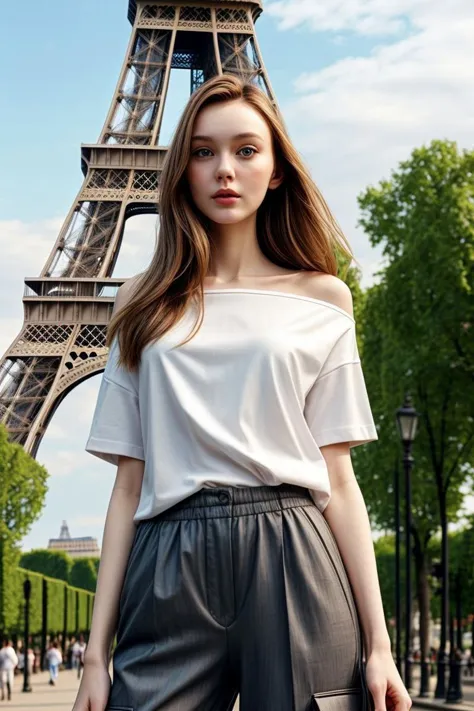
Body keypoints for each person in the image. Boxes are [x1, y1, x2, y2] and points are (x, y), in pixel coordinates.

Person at [72, 75, 414, 711]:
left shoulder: (323, 298)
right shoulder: (140, 304)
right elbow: (127, 483)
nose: (224, 169)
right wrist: (96, 656)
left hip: (295, 549)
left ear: (278, 169)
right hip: (169, 555)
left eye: (246, 150)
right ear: (182, 172)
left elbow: (338, 480)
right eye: (203, 152)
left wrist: (380, 644)